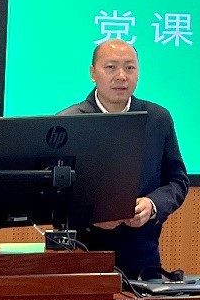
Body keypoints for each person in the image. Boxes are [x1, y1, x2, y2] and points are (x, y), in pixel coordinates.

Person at [59, 38, 189, 279]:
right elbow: (52, 194)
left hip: (143, 260)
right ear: (93, 73)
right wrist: (89, 216)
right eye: (111, 67)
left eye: (129, 68)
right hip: (82, 259)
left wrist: (152, 205)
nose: (121, 76)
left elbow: (177, 181)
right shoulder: (68, 122)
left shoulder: (158, 119)